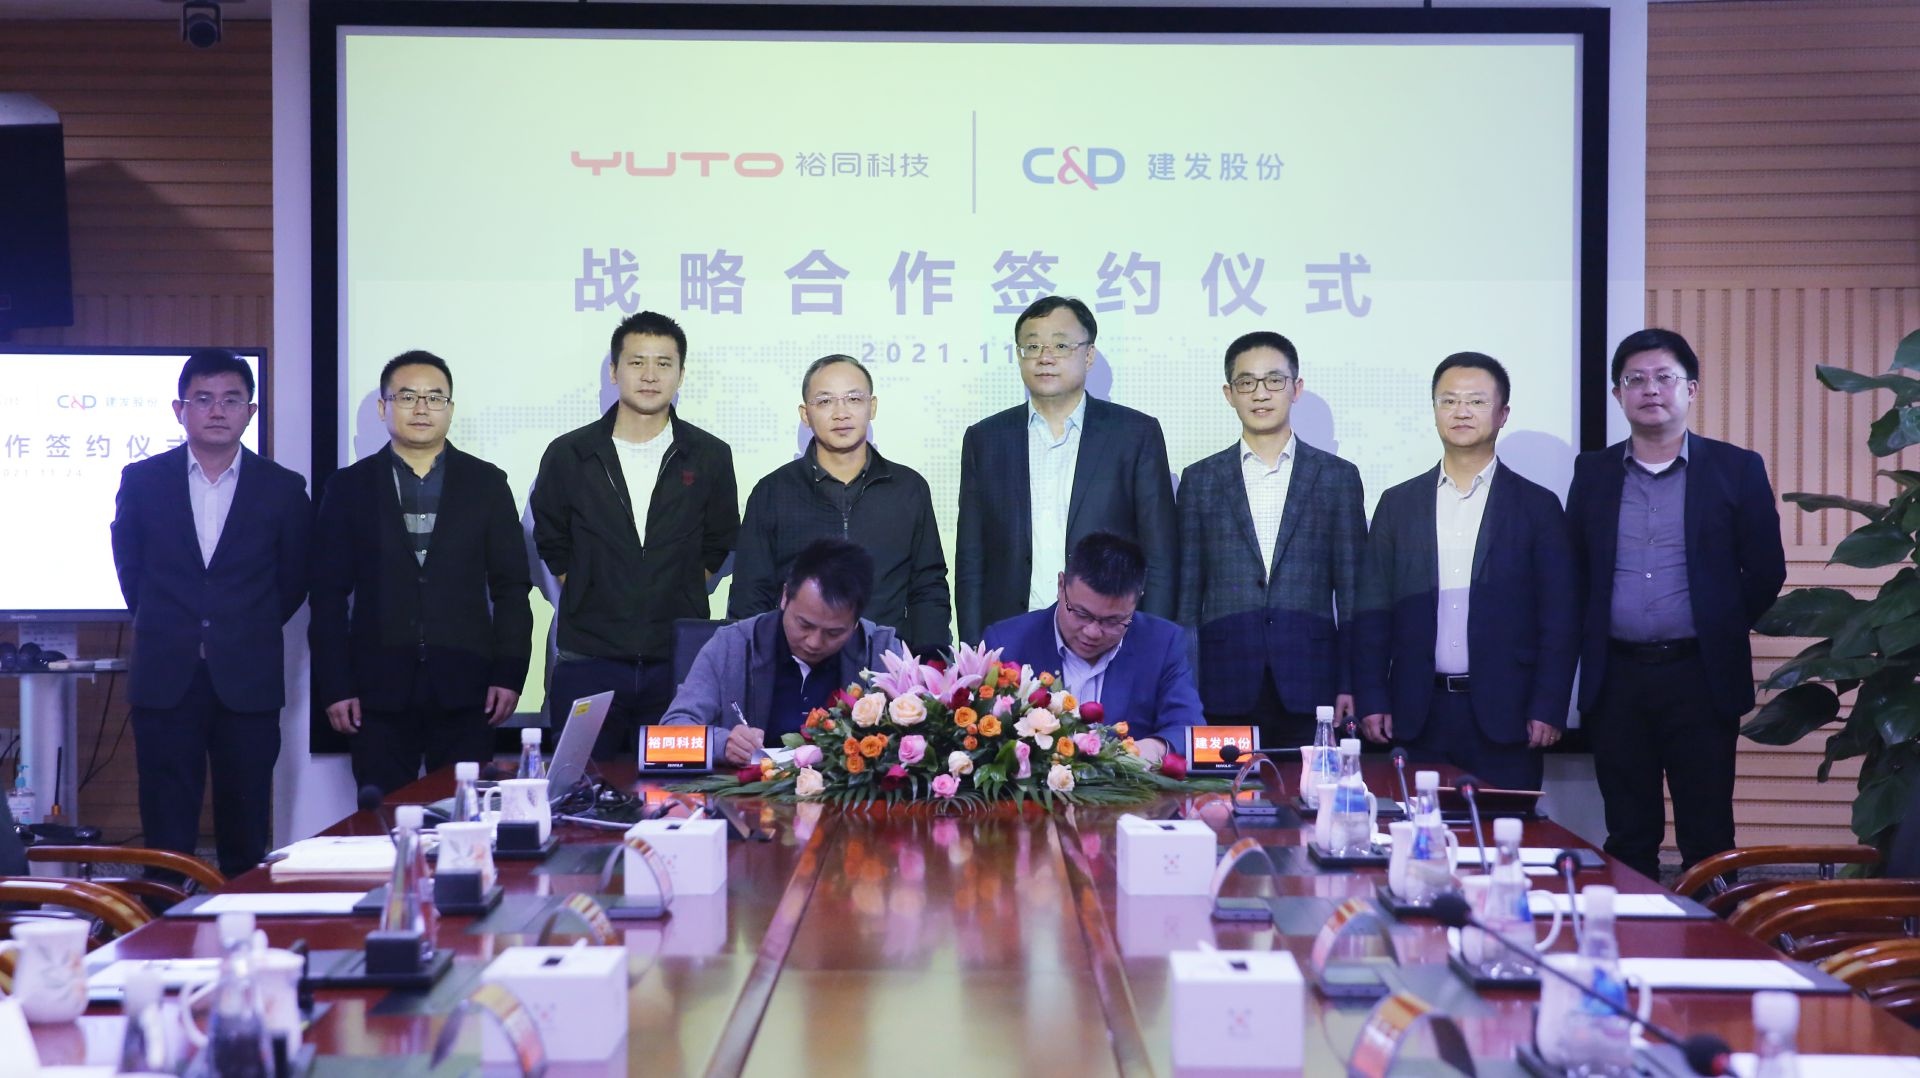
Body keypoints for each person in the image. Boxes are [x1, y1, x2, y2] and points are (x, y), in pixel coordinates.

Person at [1567, 328, 1786, 880]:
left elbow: (1766, 570)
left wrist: (1716, 626)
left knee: (1707, 832)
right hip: (1616, 679)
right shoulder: (1592, 473)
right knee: (1628, 831)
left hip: (1700, 677)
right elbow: (1576, 571)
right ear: (1617, 394)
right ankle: (1627, 928)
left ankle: (1714, 930)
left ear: (1690, 389)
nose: (1650, 389)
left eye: (1664, 377)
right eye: (1635, 379)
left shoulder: (1737, 468)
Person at [110, 349, 310, 877]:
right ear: (180, 410)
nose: (217, 410)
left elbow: (293, 579)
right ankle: (163, 918)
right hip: (165, 674)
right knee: (166, 829)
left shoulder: (283, 488)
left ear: (250, 411)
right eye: (203, 399)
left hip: (247, 677)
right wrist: (174, 623)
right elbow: (131, 570)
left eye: (231, 399)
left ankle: (243, 918)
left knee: (245, 825)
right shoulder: (143, 481)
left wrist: (241, 626)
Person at [309, 351, 533, 794]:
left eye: (435, 397)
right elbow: (328, 594)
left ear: (450, 408)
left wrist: (508, 674)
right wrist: (335, 685)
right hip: (377, 691)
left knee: (464, 817)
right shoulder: (348, 487)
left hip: (467, 687)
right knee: (383, 819)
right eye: (407, 396)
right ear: (383, 407)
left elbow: (511, 588)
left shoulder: (487, 484)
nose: (422, 408)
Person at [1355, 353, 1578, 792]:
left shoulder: (1538, 506)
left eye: (1476, 401)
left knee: (1506, 830)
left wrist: (1549, 705)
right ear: (1434, 410)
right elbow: (1372, 611)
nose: (1461, 411)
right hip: (1418, 714)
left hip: (1507, 714)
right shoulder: (1398, 504)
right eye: (1449, 400)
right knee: (1416, 831)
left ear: (1502, 414)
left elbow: (1559, 618)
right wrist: (1372, 697)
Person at [531, 311, 739, 759]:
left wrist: (674, 587)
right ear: (614, 370)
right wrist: (591, 587)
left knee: (676, 787)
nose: (650, 375)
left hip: (678, 668)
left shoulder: (709, 455)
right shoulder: (570, 454)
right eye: (636, 362)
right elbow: (551, 539)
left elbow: (719, 541)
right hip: (589, 663)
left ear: (681, 374)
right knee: (581, 786)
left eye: (664, 363)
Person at [1175, 331, 1366, 747]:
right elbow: (1187, 596)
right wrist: (1183, 686)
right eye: (1247, 382)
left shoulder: (1337, 477)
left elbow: (1353, 595)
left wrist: (1351, 682)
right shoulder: (1200, 479)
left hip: (1312, 680)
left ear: (1296, 388)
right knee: (1221, 789)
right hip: (1222, 679)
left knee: (1309, 786)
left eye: (1274, 380)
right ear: (1229, 394)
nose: (1260, 393)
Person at [955, 296, 1178, 644]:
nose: (1045, 357)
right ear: (1019, 355)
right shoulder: (985, 439)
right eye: (1032, 346)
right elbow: (971, 558)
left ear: (1088, 355)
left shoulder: (1135, 434)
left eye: (1060, 345)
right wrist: (974, 648)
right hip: (1012, 637)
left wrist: (1152, 644)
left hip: (1108, 637)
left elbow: (1160, 556)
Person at [728, 354, 951, 656]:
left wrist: (928, 664)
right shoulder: (773, 491)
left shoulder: (908, 488)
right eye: (825, 401)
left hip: (888, 666)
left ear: (872, 407)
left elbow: (928, 587)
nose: (841, 413)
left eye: (853, 399)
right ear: (805, 414)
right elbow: (750, 595)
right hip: (798, 666)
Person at [664, 538, 900, 766]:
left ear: (856, 622)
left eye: (833, 633)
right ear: (785, 597)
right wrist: (721, 744)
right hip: (749, 789)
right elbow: (668, 736)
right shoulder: (732, 645)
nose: (814, 642)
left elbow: (912, 739)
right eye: (804, 625)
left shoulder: (881, 651)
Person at [981, 532, 1201, 764]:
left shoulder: (1162, 643)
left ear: (1136, 601)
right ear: (1061, 585)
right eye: (1081, 614)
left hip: (1132, 786)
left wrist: (1155, 748)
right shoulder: (1006, 642)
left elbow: (1189, 731)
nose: (1092, 632)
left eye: (1112, 621)